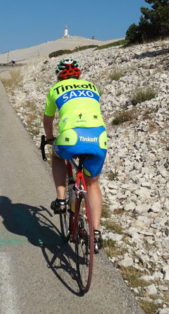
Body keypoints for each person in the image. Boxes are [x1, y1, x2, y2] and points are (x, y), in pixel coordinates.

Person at [43, 59, 107, 253]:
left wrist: (50, 138)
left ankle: (61, 199)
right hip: (99, 139)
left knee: (57, 155)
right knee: (92, 183)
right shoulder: (93, 87)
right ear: (78, 74)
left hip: (71, 138)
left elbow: (48, 119)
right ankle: (95, 234)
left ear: (59, 75)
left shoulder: (55, 89)